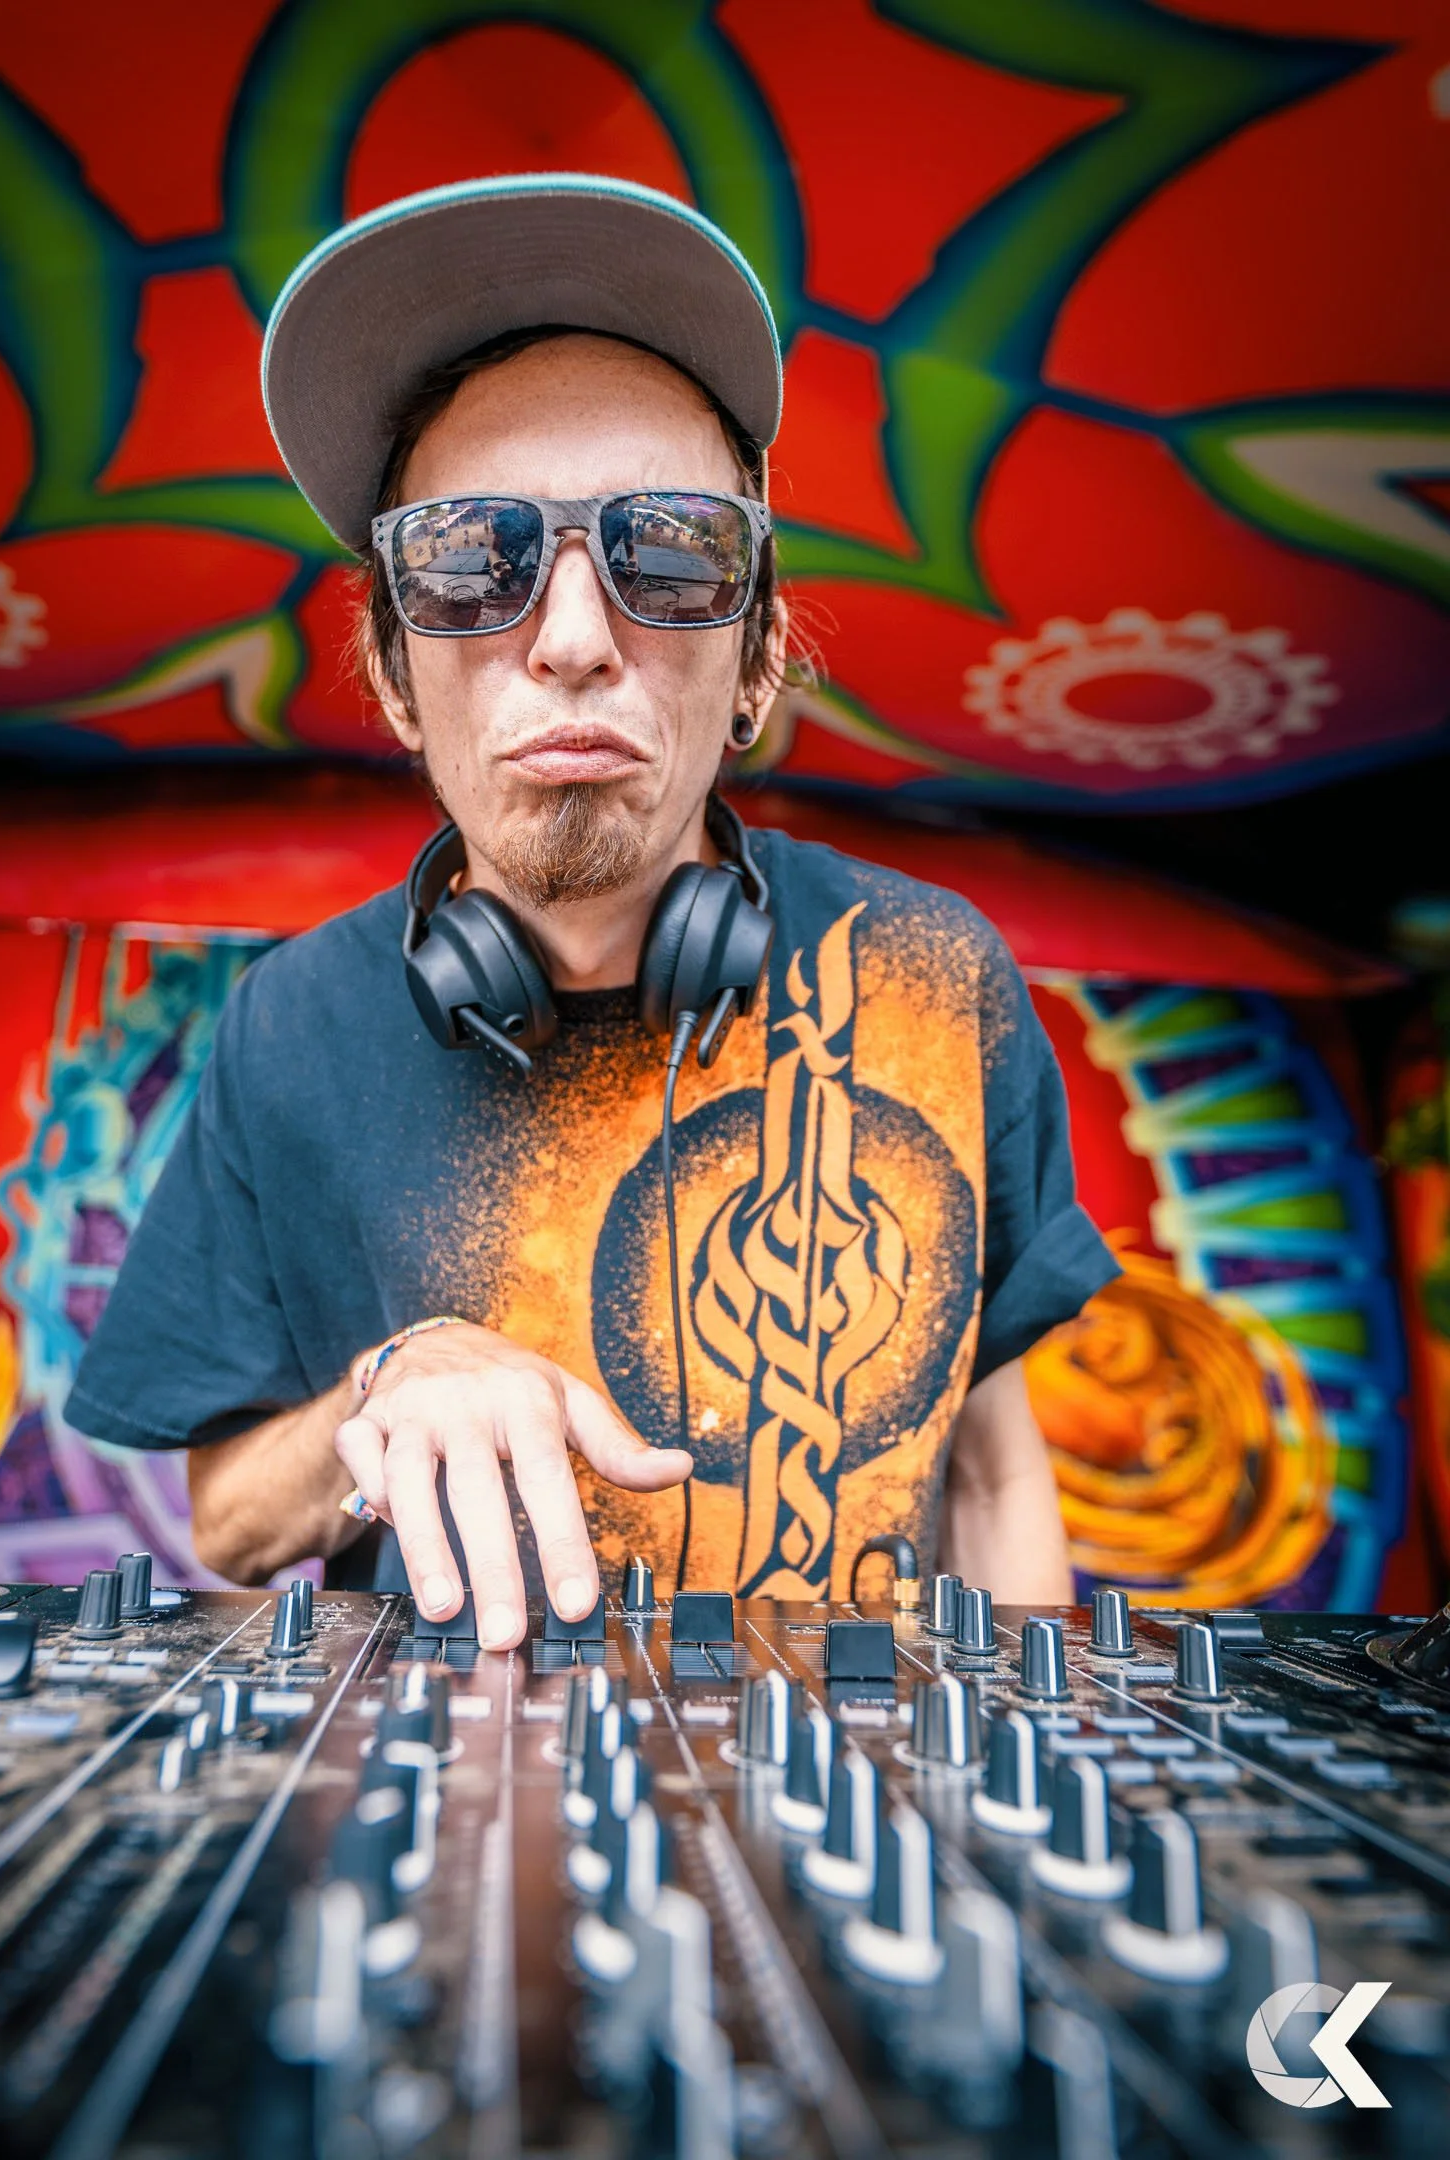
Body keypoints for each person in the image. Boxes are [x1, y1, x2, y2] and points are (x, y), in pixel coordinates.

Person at [67, 175, 1116, 1650]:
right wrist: (387, 1384)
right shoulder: (286, 1025)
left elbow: (998, 1470)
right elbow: (232, 1521)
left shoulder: (939, 972)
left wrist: (1035, 1793)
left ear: (757, 660)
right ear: (387, 674)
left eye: (673, 555)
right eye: (465, 561)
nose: (568, 641)